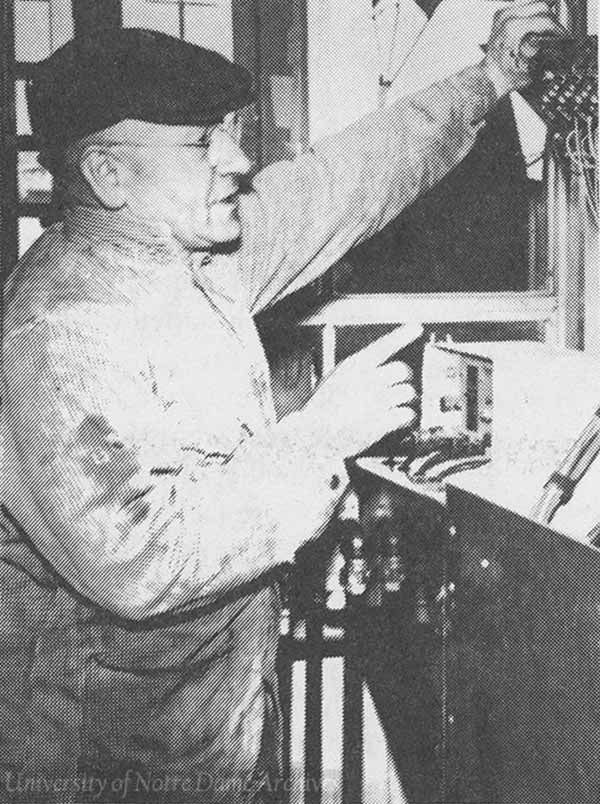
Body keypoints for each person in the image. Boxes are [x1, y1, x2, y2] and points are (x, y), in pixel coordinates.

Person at [0, 3, 562, 802]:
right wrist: (318, 438)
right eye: (200, 144)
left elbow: (351, 178)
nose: (233, 158)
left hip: (214, 732)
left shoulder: (188, 257)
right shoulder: (55, 333)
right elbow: (140, 561)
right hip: (105, 766)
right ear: (106, 175)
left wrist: (491, 78)